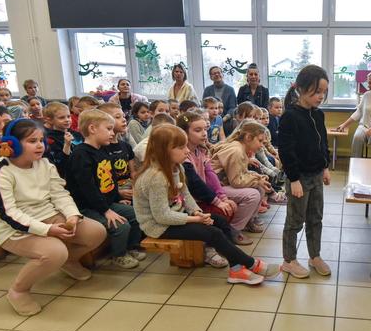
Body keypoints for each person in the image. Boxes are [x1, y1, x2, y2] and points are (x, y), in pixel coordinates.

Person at [133, 124, 280, 285]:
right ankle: (253, 264)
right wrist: (196, 220)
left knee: (221, 222)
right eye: (181, 147)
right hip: (158, 226)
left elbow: (186, 195)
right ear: (164, 151)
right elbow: (162, 216)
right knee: (212, 233)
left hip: (175, 215)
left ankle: (236, 269)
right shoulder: (156, 177)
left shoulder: (177, 167)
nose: (187, 151)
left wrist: (197, 213)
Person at [0, 119, 106, 315]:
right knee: (55, 252)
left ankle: (68, 261)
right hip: (12, 229)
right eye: (32, 141)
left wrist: (72, 216)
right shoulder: (0, 171)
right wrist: (47, 230)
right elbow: (8, 214)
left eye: (41, 140)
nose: (40, 145)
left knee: (96, 232)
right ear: (12, 144)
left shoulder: (44, 164)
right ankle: (18, 290)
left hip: (49, 215)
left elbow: (59, 194)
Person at [66, 109, 143, 269]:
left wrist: (117, 198)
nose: (112, 132)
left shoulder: (102, 150)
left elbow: (110, 181)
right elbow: (88, 189)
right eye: (108, 129)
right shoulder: (81, 154)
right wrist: (106, 211)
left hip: (105, 203)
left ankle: (131, 247)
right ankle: (119, 255)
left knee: (137, 215)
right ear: (93, 129)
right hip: (87, 208)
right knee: (121, 225)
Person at [177, 111, 263, 246]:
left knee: (228, 208)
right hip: (190, 201)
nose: (204, 133)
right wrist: (218, 201)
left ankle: (229, 232)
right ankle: (226, 235)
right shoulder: (183, 155)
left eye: (205, 129)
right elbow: (195, 184)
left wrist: (222, 198)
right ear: (184, 133)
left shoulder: (200, 150)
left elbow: (210, 175)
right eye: (198, 130)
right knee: (225, 212)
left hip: (204, 194)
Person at [278, 65, 331, 278]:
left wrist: (325, 167)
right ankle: (289, 260)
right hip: (299, 179)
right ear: (301, 89)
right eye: (316, 92)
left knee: (315, 218)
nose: (321, 97)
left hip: (316, 175)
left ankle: (314, 256)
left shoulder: (318, 115)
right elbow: (286, 151)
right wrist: (294, 179)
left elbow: (322, 142)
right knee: (295, 221)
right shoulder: (290, 116)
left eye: (324, 92)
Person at [335, 71, 371, 159]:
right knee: (357, 137)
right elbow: (358, 112)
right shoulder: (366, 95)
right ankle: (355, 166)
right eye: (368, 83)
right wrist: (344, 125)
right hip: (364, 127)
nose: (368, 85)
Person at [42, 102, 82, 179]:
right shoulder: (50, 139)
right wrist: (67, 145)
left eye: (68, 116)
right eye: (61, 118)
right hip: (66, 177)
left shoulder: (76, 134)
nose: (67, 120)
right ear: (49, 120)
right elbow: (59, 163)